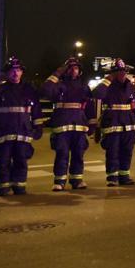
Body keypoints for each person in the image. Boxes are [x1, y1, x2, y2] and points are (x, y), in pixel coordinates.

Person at [39, 57, 96, 190]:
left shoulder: (83, 86)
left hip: (79, 125)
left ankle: (77, 180)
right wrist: (57, 73)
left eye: (75, 68)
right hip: (62, 125)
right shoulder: (58, 85)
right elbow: (44, 90)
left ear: (80, 71)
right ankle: (59, 181)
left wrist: (92, 123)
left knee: (78, 154)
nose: (73, 71)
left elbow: (89, 106)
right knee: (62, 153)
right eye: (70, 68)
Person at [0, 57, 43, 196]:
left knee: (21, 160)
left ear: (22, 72)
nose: (15, 73)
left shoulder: (28, 89)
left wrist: (38, 126)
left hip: (23, 131)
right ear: (6, 73)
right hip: (2, 132)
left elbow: (36, 109)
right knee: (3, 161)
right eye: (12, 70)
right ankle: (3, 188)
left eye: (18, 70)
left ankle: (19, 187)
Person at [92, 59, 135, 186]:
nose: (122, 74)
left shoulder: (130, 86)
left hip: (128, 124)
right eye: (119, 71)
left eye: (124, 71)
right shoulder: (107, 86)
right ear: (113, 73)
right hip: (112, 123)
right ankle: (112, 178)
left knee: (127, 152)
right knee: (113, 152)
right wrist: (108, 79)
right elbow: (97, 94)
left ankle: (124, 176)